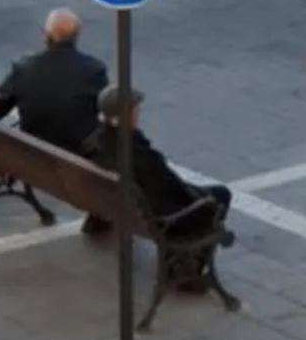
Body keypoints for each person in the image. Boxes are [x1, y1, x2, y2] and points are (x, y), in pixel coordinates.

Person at [85, 85, 230, 291]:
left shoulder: (96, 141)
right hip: (158, 217)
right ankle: (187, 273)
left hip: (119, 203)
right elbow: (170, 186)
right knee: (220, 195)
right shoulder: (137, 153)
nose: (138, 112)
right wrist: (202, 200)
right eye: (135, 108)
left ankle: (97, 223)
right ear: (126, 114)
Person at [0, 9, 107, 155]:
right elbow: (112, 116)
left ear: (45, 35)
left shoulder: (25, 69)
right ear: (76, 37)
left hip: (30, 160)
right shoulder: (94, 72)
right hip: (77, 162)